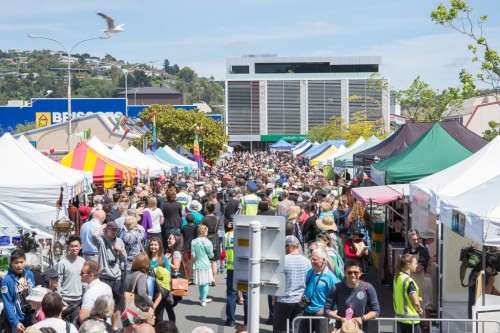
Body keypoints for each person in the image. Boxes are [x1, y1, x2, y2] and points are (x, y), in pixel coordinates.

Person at [324, 260, 380, 332]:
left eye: (356, 272)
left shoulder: (368, 287)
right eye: (349, 272)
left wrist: (362, 318)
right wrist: (340, 319)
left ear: (360, 273)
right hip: (342, 329)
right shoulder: (336, 288)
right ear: (345, 273)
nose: (353, 275)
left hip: (361, 329)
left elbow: (376, 311)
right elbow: (327, 310)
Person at [92, 220, 126, 331]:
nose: (114, 232)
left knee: (115, 304)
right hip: (105, 276)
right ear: (107, 230)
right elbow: (94, 235)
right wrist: (102, 226)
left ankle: (114, 326)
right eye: (112, 230)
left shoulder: (119, 241)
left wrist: (120, 250)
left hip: (116, 276)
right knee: (104, 303)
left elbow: (124, 258)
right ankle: (104, 325)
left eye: (116, 230)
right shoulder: (102, 240)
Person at [272, 235, 311, 333]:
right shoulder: (307, 262)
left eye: (285, 246)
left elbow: (276, 281)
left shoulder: (283, 261)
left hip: (284, 300)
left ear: (289, 246)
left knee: (280, 329)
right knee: (295, 328)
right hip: (300, 301)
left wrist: (274, 296)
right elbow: (309, 281)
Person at [298, 248, 338, 333]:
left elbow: (337, 298)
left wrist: (325, 310)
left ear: (323, 260)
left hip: (320, 314)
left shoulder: (330, 277)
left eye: (314, 259)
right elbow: (306, 287)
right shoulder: (310, 272)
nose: (312, 261)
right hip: (307, 310)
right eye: (311, 259)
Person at [1, 249, 35, 333]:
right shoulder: (6, 281)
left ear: (25, 261)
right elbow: (7, 304)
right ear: (11, 263)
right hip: (17, 322)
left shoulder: (30, 274)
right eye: (16, 262)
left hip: (31, 317)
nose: (19, 265)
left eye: (21, 262)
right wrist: (15, 322)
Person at [402, 229, 430, 327]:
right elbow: (401, 265)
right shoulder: (406, 251)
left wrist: (408, 267)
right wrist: (411, 267)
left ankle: (421, 324)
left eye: (418, 239)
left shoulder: (424, 251)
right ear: (409, 240)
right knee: (408, 302)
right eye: (414, 239)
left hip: (418, 283)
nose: (417, 241)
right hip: (407, 282)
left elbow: (419, 268)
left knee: (419, 302)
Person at [58, 235, 85, 326]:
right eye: (72, 246)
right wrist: (60, 299)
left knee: (76, 326)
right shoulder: (62, 263)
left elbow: (84, 282)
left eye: (76, 246)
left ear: (80, 247)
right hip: (65, 300)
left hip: (78, 299)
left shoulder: (83, 261)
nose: (74, 248)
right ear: (68, 247)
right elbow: (58, 282)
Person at [147, 237, 175, 323]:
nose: (153, 246)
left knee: (158, 316)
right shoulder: (146, 257)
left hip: (160, 291)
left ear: (159, 246)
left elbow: (168, 274)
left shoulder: (163, 259)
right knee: (148, 316)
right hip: (148, 290)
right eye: (151, 244)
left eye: (155, 245)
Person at [224, 223, 247, 327]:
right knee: (246, 295)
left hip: (231, 268)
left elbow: (225, 249)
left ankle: (231, 321)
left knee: (231, 294)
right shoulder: (245, 235)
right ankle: (248, 321)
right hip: (243, 269)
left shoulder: (227, 235)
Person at [394, 254, 423, 333]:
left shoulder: (397, 277)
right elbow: (415, 301)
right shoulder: (408, 280)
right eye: (415, 263)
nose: (416, 265)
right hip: (410, 318)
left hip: (400, 317)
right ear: (408, 265)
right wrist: (419, 309)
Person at [191, 225, 214, 306]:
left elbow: (193, 255)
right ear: (205, 232)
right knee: (206, 283)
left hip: (197, 264)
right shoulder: (208, 242)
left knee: (201, 283)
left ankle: (202, 297)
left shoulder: (193, 241)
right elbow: (211, 255)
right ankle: (204, 300)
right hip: (206, 264)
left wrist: (191, 264)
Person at [200, 203, 221, 286]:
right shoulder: (218, 218)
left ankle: (206, 278)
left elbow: (201, 229)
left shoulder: (204, 219)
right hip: (215, 238)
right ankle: (213, 279)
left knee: (205, 260)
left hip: (206, 239)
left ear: (206, 209)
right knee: (214, 261)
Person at [181, 213, 198, 282]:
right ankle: (194, 275)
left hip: (186, 246)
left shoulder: (183, 228)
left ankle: (189, 275)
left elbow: (182, 237)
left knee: (187, 262)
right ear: (194, 220)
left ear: (186, 220)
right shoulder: (196, 227)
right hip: (194, 247)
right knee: (194, 261)